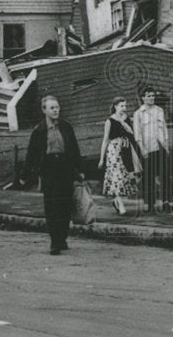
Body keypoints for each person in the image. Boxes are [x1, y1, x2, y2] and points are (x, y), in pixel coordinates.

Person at [20, 95, 84, 255]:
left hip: (66, 169)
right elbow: (32, 154)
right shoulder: (39, 130)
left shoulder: (66, 126)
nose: (56, 110)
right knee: (52, 206)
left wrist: (80, 170)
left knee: (65, 205)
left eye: (57, 107)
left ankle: (62, 238)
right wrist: (25, 175)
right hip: (49, 170)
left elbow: (75, 150)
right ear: (44, 110)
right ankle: (55, 241)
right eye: (52, 108)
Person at [98, 97, 143, 216]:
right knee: (116, 176)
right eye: (122, 106)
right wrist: (101, 158)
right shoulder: (110, 121)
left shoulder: (126, 119)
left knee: (126, 176)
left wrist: (124, 123)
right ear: (115, 106)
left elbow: (132, 133)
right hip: (114, 150)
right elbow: (105, 139)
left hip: (126, 148)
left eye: (125, 106)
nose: (124, 108)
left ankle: (116, 201)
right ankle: (121, 204)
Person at [133, 86, 172, 214]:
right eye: (149, 96)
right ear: (143, 98)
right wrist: (142, 149)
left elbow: (164, 129)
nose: (151, 98)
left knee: (165, 175)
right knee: (149, 177)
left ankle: (166, 202)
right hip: (147, 148)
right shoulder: (138, 113)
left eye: (153, 95)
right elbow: (137, 134)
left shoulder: (159, 110)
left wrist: (166, 145)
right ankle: (150, 205)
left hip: (160, 146)